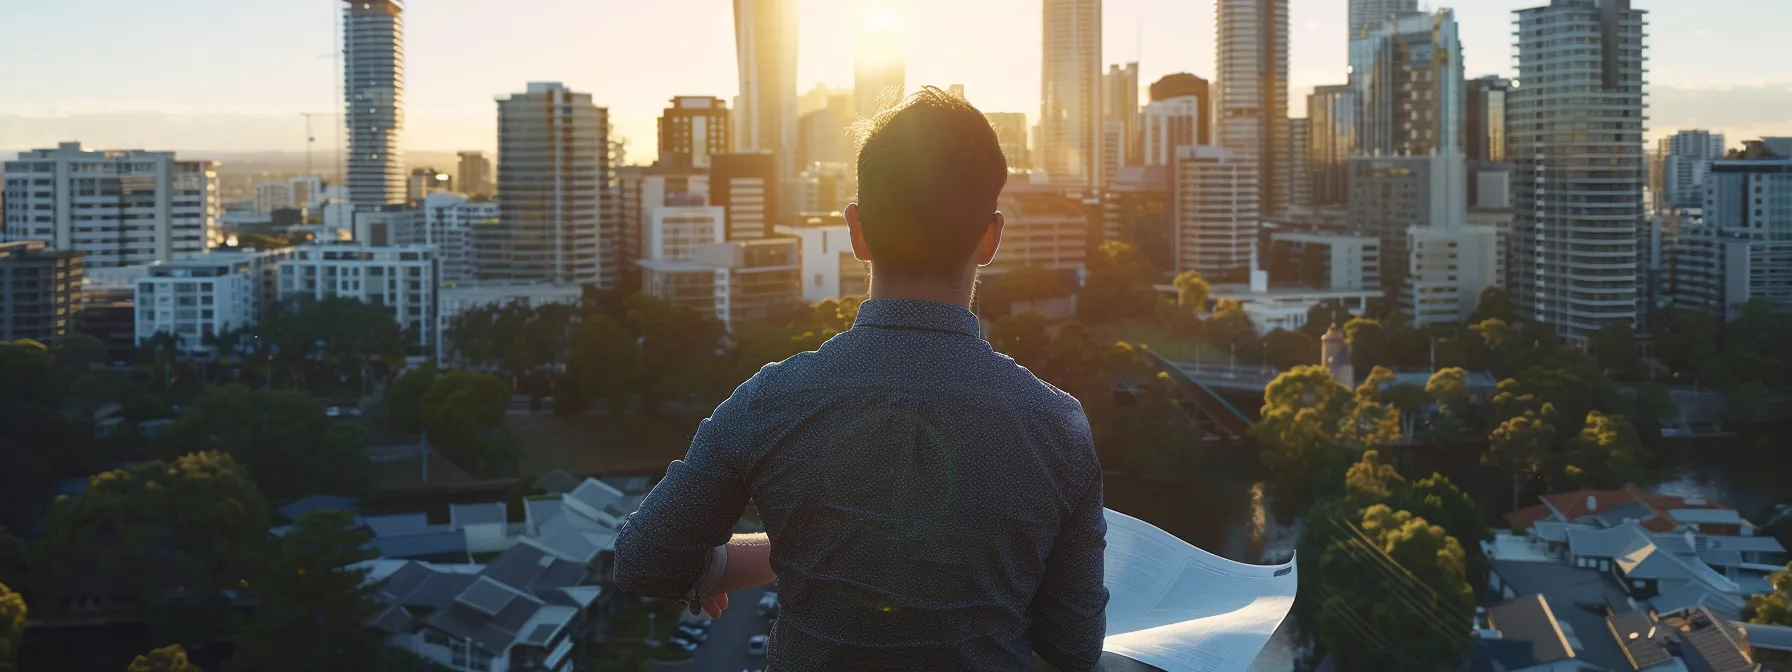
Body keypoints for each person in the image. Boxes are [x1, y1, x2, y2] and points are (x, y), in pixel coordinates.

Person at [613, 86, 1107, 670]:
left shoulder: (772, 400)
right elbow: (1073, 649)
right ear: (991, 238)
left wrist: (797, 548)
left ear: (856, 232)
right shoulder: (1055, 424)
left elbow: (645, 559)